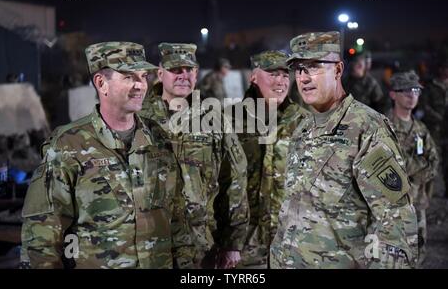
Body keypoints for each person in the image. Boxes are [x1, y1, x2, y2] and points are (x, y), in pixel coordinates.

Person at [20, 42, 194, 269]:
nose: (141, 85)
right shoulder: (68, 144)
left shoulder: (159, 138)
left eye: (143, 76)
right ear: (101, 83)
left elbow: (178, 217)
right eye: (129, 77)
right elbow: (40, 237)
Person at [270, 31, 418, 269]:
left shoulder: (367, 128)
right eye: (299, 69)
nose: (304, 78)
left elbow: (397, 220)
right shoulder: (303, 129)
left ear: (338, 70)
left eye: (314, 67)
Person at [139, 43, 248, 269]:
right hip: (150, 244)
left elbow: (234, 177)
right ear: (160, 74)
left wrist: (233, 242)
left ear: (197, 74)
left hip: (200, 242)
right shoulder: (139, 116)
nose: (183, 76)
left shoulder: (213, 115)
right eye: (175, 70)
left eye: (189, 70)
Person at [223, 50, 308, 268]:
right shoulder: (229, 120)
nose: (280, 81)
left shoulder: (304, 121)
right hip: (244, 242)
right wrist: (229, 239)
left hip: (292, 239)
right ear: (253, 77)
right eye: (272, 73)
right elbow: (219, 182)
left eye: (284, 75)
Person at [387, 71, 439, 266]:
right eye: (406, 90)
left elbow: (434, 162)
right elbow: (385, 165)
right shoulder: (382, 126)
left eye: (416, 90)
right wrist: (419, 164)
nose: (412, 95)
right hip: (388, 207)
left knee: (418, 254)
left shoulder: (420, 129)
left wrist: (411, 171)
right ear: (393, 94)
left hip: (417, 203)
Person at [420, 59, 448, 198]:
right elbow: (425, 106)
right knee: (432, 159)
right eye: (444, 68)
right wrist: (439, 118)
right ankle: (427, 192)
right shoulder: (431, 86)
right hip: (434, 128)